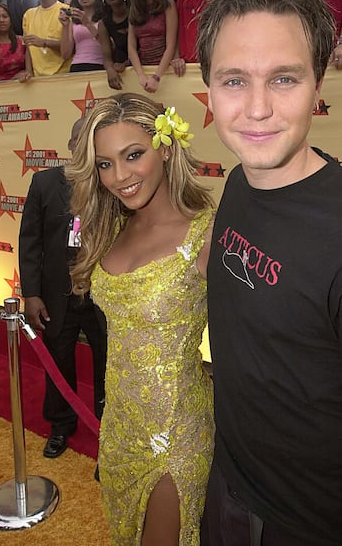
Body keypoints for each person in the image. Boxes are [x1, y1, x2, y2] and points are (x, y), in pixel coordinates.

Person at [197, 0, 342, 546]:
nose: (258, 109)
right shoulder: (241, 181)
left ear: (319, 85)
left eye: (284, 78)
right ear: (208, 89)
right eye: (234, 80)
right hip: (230, 489)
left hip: (309, 525)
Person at [65, 92, 215, 544]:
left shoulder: (208, 232)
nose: (119, 177)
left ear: (166, 147)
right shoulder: (111, 229)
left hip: (176, 433)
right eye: (105, 163)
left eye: (134, 155)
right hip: (119, 427)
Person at [19, 118, 107, 460]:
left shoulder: (110, 182)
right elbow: (30, 242)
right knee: (57, 360)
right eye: (80, 141)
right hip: (57, 294)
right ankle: (60, 426)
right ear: (71, 145)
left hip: (102, 296)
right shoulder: (44, 183)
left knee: (109, 365)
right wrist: (32, 294)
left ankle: (107, 428)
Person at [59, 0, 120, 88]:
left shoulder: (106, 16)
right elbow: (66, 54)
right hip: (77, 67)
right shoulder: (74, 19)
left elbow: (111, 45)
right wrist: (65, 26)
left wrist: (87, 23)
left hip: (99, 66)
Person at [128, 0, 178, 93]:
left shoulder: (168, 5)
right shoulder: (135, 8)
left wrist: (157, 76)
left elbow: (171, 45)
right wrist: (141, 75)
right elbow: (131, 47)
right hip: (144, 70)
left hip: (165, 71)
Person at [22, 0, 71, 77]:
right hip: (37, 79)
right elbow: (28, 48)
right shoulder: (28, 14)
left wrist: (44, 42)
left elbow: (71, 48)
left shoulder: (66, 11)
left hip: (63, 76)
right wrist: (29, 71)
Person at [99, 0, 129, 83]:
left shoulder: (135, 13)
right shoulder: (104, 23)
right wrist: (110, 70)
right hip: (121, 72)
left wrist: (127, 63)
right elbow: (106, 57)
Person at [0, 3, 28, 82]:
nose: (1, 20)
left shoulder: (21, 41)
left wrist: (24, 73)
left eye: (5, 16)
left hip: (18, 86)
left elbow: (29, 68)